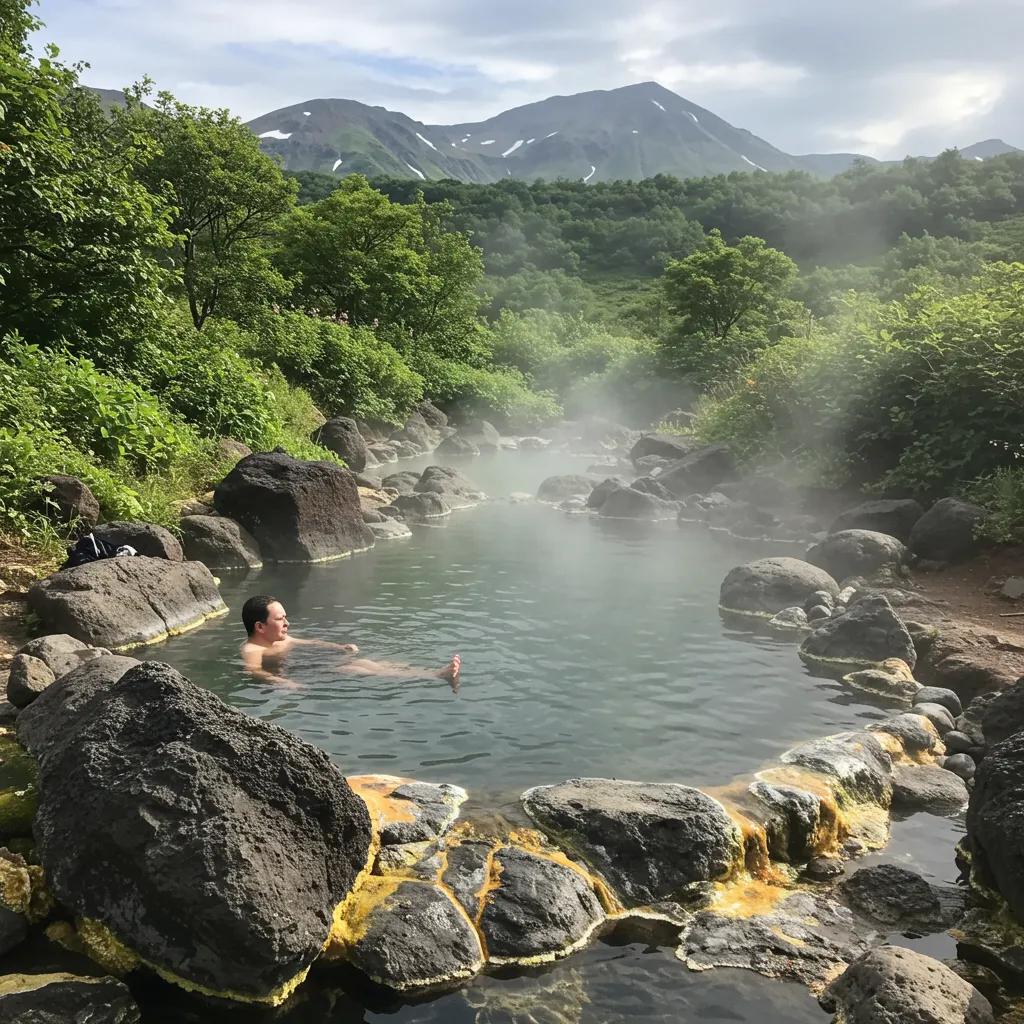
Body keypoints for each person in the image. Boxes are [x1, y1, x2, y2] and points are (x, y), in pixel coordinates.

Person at [240, 595, 461, 690]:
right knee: (353, 668)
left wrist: (338, 647)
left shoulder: (282, 638)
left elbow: (309, 641)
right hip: (301, 677)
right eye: (280, 619)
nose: (287, 623)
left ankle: (430, 672)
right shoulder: (252, 649)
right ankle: (434, 675)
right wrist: (284, 683)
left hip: (310, 668)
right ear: (260, 627)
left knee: (364, 662)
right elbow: (255, 672)